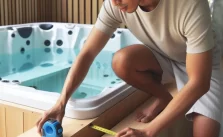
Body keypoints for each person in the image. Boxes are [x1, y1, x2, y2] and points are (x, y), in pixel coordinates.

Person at [36, 0, 223, 136]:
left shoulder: (190, 4)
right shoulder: (116, 3)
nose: (115, 2)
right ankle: (163, 96)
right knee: (122, 61)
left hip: (202, 66)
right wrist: (61, 103)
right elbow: (87, 54)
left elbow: (199, 82)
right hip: (165, 56)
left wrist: (149, 131)